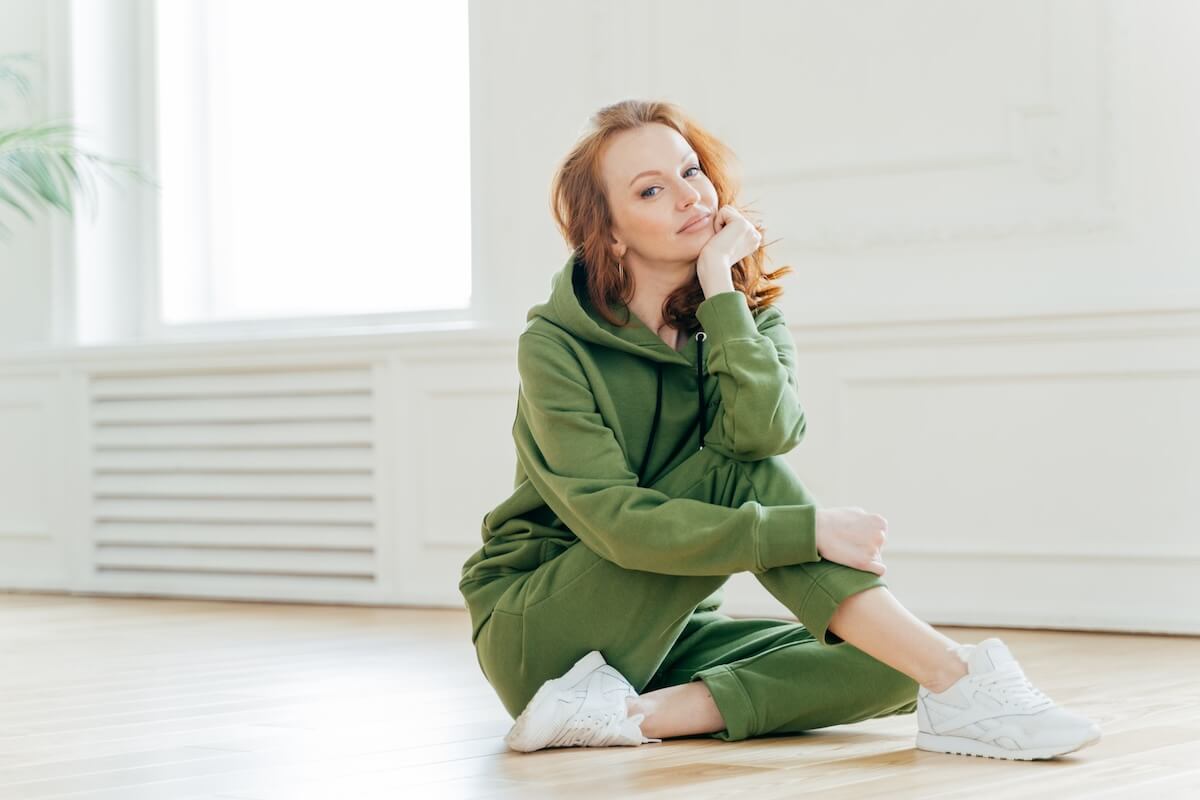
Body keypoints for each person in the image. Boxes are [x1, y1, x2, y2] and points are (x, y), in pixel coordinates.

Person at [458, 99, 1102, 761]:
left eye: (690, 171)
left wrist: (722, 295)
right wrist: (807, 530)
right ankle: (964, 678)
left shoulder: (741, 310)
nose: (689, 197)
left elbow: (767, 433)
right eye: (652, 189)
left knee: (892, 660)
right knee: (736, 471)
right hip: (543, 627)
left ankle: (630, 714)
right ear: (612, 233)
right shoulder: (555, 345)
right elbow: (620, 522)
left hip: (670, 633)